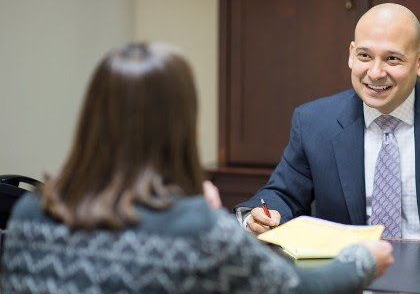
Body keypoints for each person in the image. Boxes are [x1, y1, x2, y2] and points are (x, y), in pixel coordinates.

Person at [0, 43, 394, 293]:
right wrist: (363, 260)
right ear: (183, 125)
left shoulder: (29, 213)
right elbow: (295, 290)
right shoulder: (194, 230)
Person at [235, 3, 420, 247]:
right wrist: (261, 215)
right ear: (351, 55)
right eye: (365, 56)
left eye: (392, 59)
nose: (375, 72)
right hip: (350, 276)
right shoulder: (315, 122)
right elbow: (282, 195)